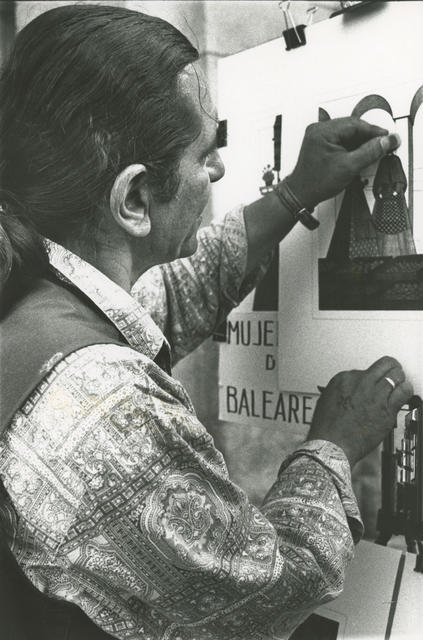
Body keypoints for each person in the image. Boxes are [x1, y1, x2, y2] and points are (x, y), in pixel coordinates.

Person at [0, 4, 412, 640]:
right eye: (205, 152)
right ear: (135, 198)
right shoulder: (105, 406)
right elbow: (269, 591)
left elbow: (168, 298)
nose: (219, 169)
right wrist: (332, 445)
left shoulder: (35, 295)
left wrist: (294, 193)